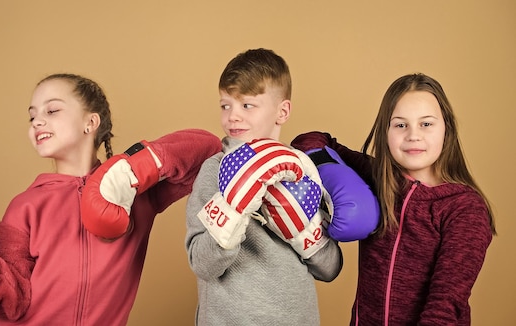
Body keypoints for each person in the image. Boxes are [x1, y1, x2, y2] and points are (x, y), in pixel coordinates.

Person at [0, 73, 222, 325]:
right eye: (32, 115)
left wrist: (129, 171)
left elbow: (206, 153)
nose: (38, 120)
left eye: (52, 110)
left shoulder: (135, 194)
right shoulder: (26, 206)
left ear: (90, 123)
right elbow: (13, 301)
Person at [292, 73, 496, 325]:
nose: (413, 135)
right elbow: (311, 139)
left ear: (447, 128)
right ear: (385, 131)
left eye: (426, 124)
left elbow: (446, 304)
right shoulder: (377, 178)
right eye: (400, 125)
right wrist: (327, 167)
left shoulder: (464, 208)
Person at [185, 48, 345, 325]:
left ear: (282, 111)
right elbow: (202, 264)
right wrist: (232, 210)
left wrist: (305, 232)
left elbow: (330, 269)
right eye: (226, 105)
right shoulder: (214, 171)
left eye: (247, 105)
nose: (232, 116)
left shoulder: (302, 170)